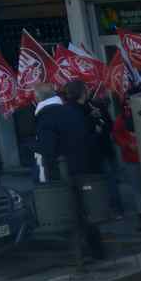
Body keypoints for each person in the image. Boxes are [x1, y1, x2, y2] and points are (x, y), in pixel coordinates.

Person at [35, 81, 104, 265]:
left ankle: (81, 255)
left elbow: (47, 149)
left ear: (38, 99)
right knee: (85, 210)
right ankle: (95, 250)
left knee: (72, 213)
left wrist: (49, 172)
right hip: (83, 167)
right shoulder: (69, 111)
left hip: (66, 171)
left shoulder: (46, 117)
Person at [110, 97, 141, 232]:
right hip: (135, 158)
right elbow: (116, 135)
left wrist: (127, 144)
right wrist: (127, 145)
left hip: (136, 157)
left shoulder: (122, 118)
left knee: (139, 190)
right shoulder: (123, 119)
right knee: (140, 190)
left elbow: (116, 135)